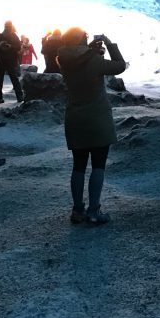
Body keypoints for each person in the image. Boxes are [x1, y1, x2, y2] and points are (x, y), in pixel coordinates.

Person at [56, 28, 126, 225]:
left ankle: (77, 210)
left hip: (75, 118)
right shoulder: (94, 61)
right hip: (97, 118)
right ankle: (94, 211)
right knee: (98, 165)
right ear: (82, 40)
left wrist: (88, 49)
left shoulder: (63, 59)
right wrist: (110, 44)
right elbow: (120, 66)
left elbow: (79, 57)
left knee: (78, 166)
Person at [0, 20, 24, 103]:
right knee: (13, 79)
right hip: (8, 60)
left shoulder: (0, 36)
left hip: (4, 60)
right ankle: (19, 97)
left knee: (0, 79)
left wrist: (7, 46)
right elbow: (19, 47)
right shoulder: (12, 36)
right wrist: (1, 46)